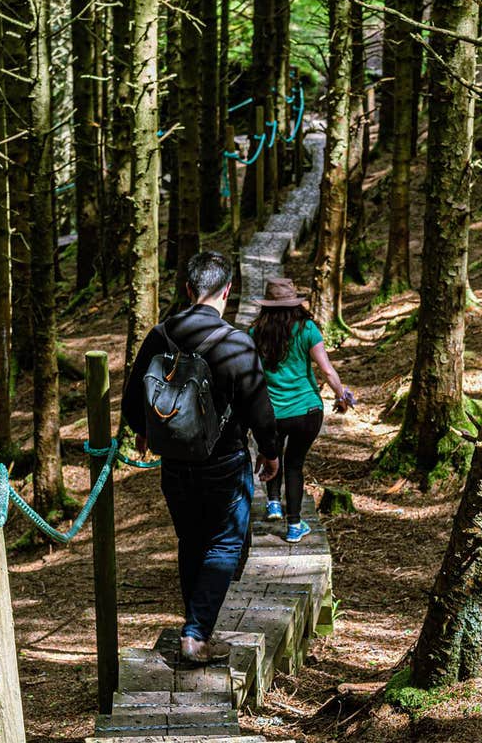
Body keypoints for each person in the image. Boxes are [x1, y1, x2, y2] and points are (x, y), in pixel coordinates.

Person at [122, 251, 281, 664]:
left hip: (175, 464)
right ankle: (195, 635)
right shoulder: (236, 342)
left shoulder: (161, 335)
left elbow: (130, 400)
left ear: (189, 290)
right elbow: (259, 406)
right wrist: (270, 451)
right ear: (226, 291)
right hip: (224, 461)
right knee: (225, 542)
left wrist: (145, 430)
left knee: (191, 541)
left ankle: (196, 626)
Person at [250, 278, 352, 542]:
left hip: (271, 412)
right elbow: (327, 370)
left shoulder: (254, 333)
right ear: (295, 303)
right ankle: (294, 526)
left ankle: (273, 502)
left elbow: (250, 374)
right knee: (294, 464)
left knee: (274, 453)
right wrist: (342, 396)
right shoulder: (307, 329)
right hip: (306, 411)